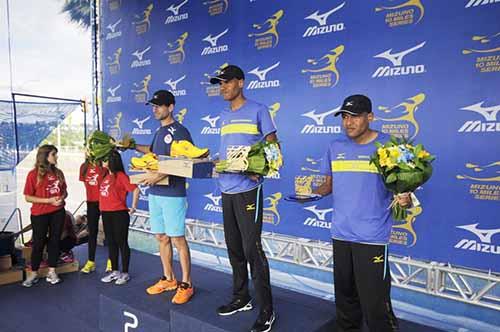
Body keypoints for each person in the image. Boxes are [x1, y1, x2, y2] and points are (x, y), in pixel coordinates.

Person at [313, 94, 411, 332]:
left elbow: (405, 190)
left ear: (370, 117)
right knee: (345, 301)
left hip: (372, 237)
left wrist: (406, 197)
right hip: (340, 234)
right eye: (345, 117)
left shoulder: (390, 146)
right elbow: (327, 185)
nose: (348, 122)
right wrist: (309, 192)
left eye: (355, 116)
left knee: (375, 305)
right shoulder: (335, 146)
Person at [210, 65, 277, 332]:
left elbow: (273, 148)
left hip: (248, 191)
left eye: (226, 82)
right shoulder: (225, 115)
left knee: (253, 251)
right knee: (234, 248)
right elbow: (229, 153)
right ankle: (241, 297)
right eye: (220, 83)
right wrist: (216, 162)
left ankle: (267, 309)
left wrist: (256, 168)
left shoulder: (259, 109)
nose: (222, 87)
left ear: (241, 82)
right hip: (226, 189)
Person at [135, 90, 195, 304]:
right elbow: (151, 151)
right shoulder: (159, 132)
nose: (155, 109)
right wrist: (131, 145)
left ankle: (186, 284)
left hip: (173, 194)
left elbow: (184, 162)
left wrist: (158, 175)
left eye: (159, 105)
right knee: (161, 237)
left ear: (171, 107)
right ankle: (169, 278)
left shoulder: (180, 131)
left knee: (178, 239)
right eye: (153, 105)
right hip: (156, 193)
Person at [22, 144, 67, 287]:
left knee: (55, 241)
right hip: (40, 214)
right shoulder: (33, 174)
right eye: (54, 154)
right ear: (45, 156)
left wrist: (62, 198)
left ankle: (52, 271)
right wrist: (48, 201)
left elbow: (65, 191)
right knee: (38, 243)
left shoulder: (59, 173)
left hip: (58, 212)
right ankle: (33, 273)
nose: (56, 157)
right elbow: (28, 197)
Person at [99, 150, 139, 285]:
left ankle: (125, 272)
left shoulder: (121, 176)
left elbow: (135, 189)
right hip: (106, 213)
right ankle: (115, 271)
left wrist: (133, 206)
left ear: (112, 161)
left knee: (122, 242)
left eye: (105, 159)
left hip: (119, 214)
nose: (103, 162)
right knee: (111, 242)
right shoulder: (106, 176)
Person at [79, 155, 110, 273]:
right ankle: (91, 261)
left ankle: (111, 260)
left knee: (109, 232)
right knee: (92, 232)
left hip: (105, 202)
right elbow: (87, 186)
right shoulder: (84, 167)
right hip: (91, 203)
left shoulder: (104, 166)